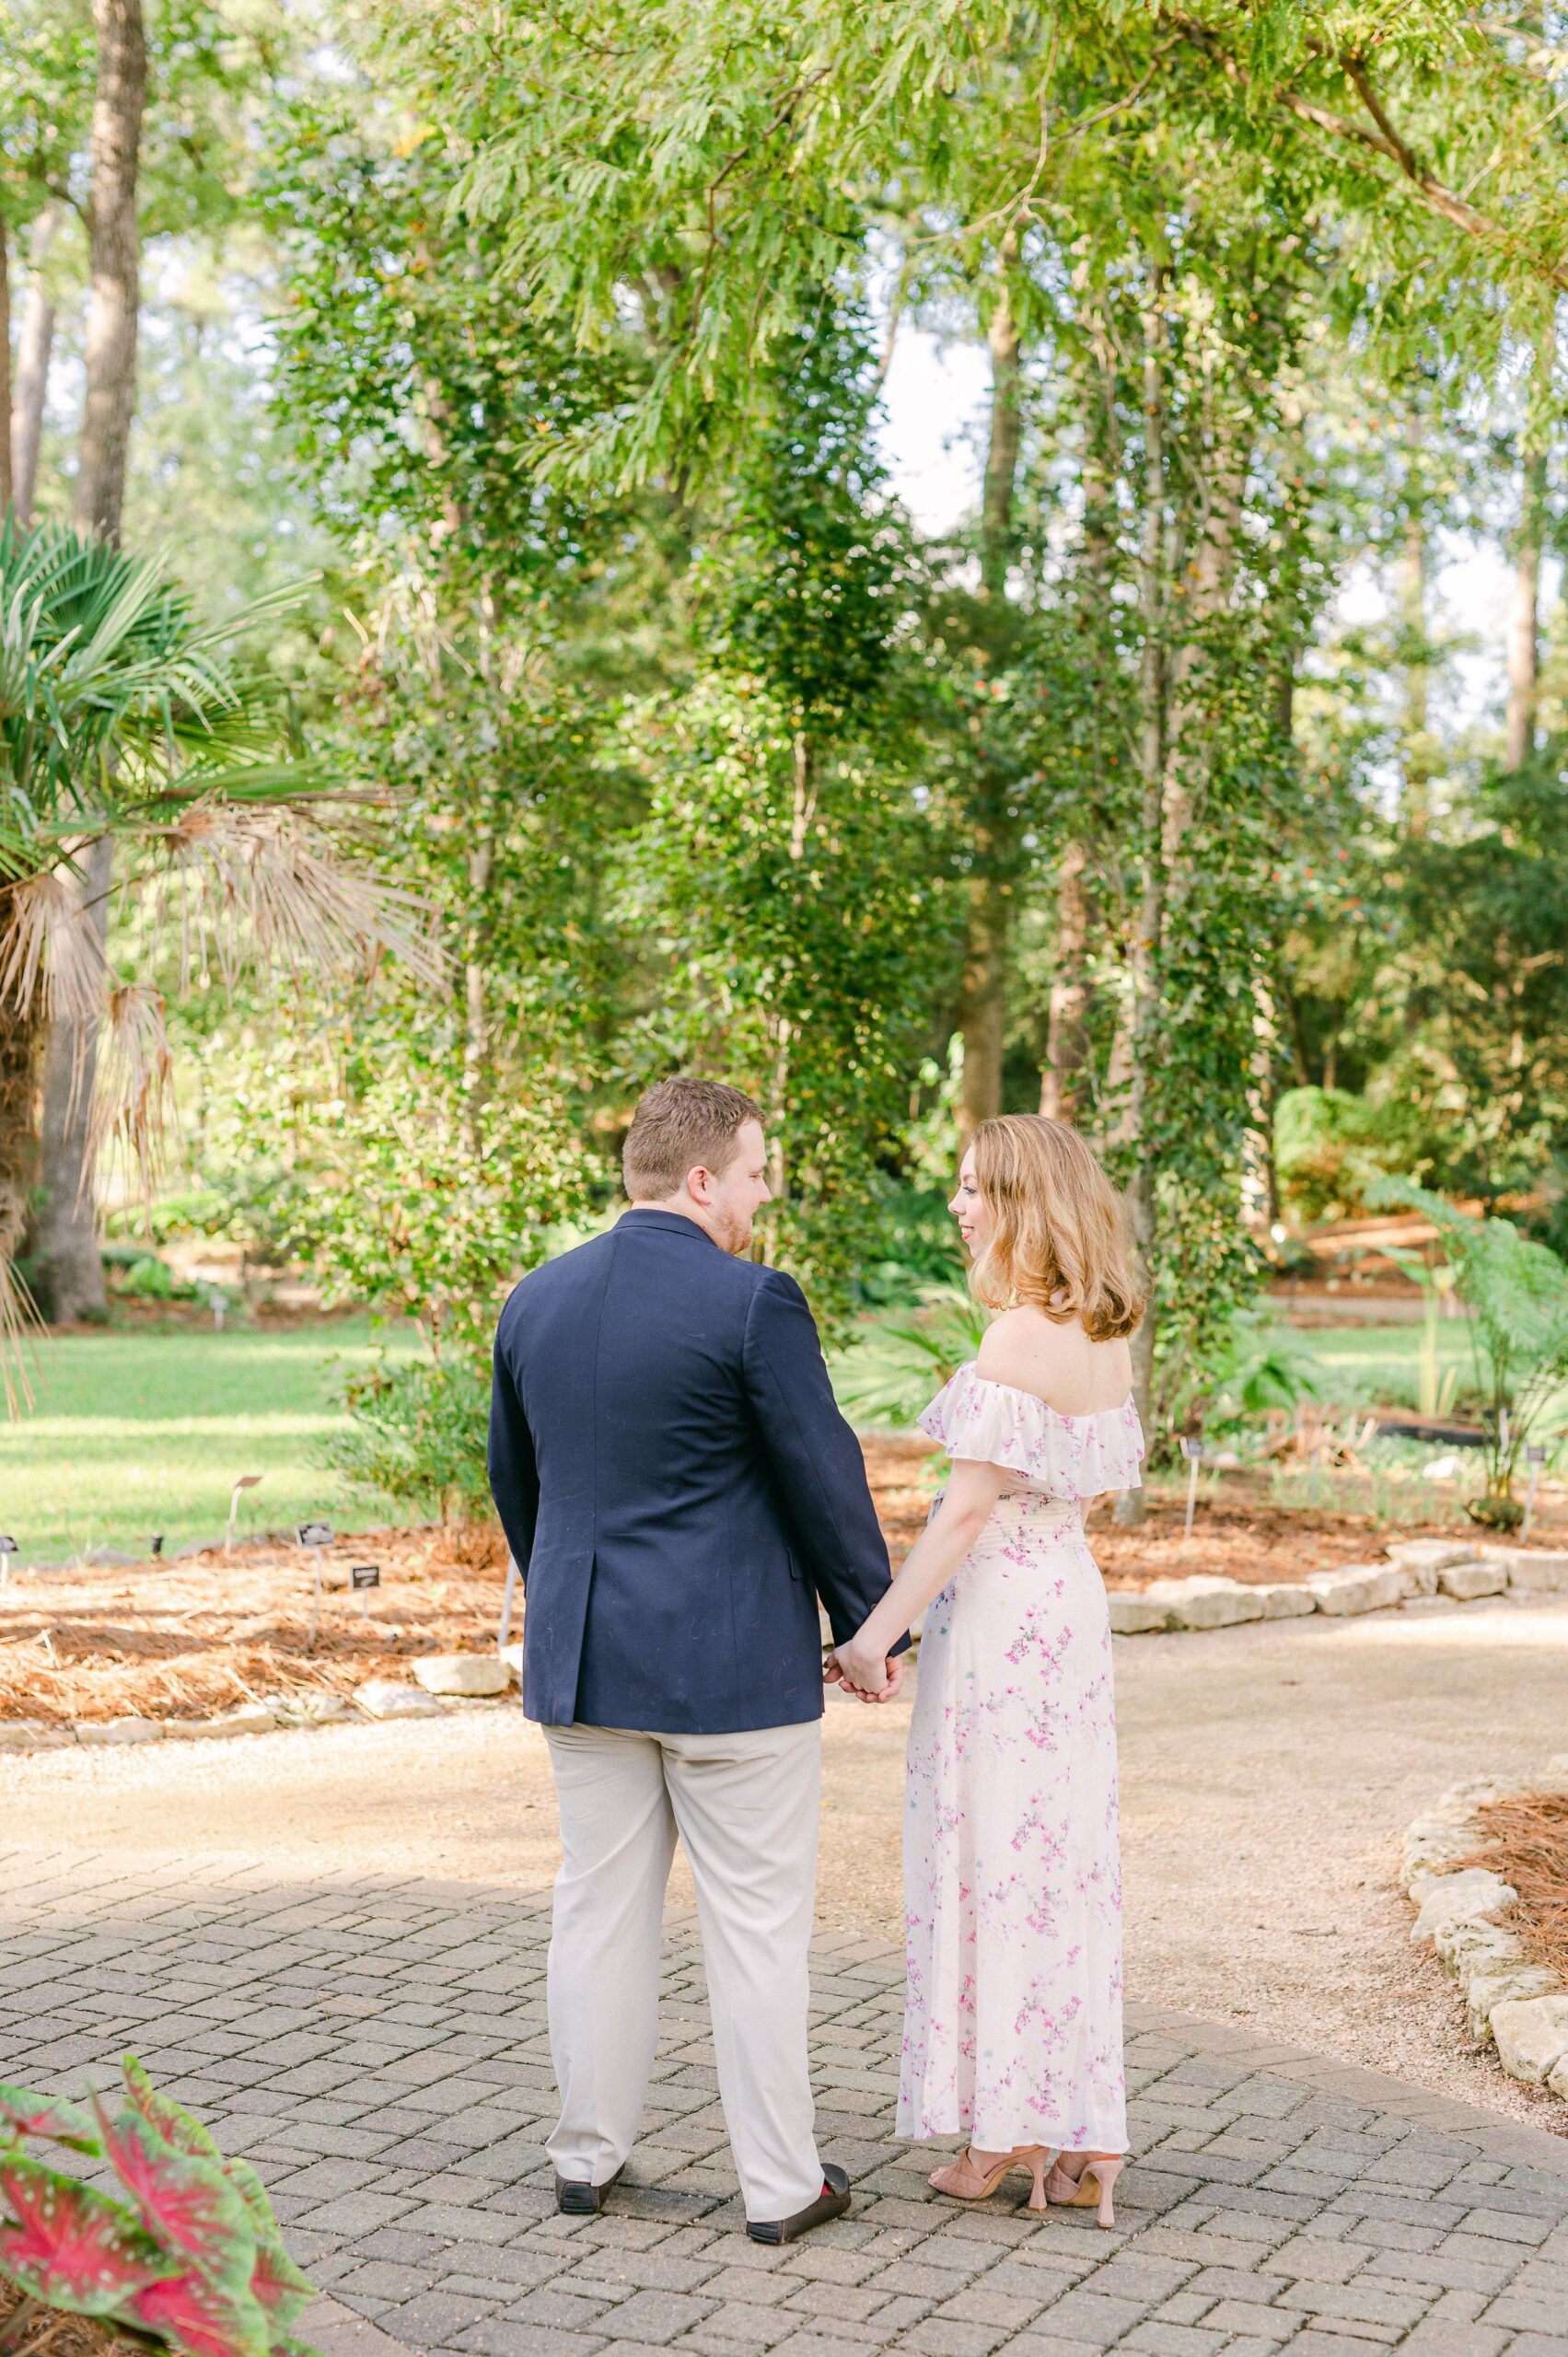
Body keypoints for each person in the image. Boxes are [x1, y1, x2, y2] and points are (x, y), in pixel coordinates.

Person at [488, 1075, 908, 2243]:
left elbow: (519, 1490)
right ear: (702, 1177)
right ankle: (779, 2186)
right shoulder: (752, 1302)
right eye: (759, 1172)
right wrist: (869, 1625)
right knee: (756, 1931)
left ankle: (583, 2158)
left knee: (597, 1914)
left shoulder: (535, 1300)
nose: (764, 1196)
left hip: (582, 1664)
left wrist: (570, 1596)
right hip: (728, 1675)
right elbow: (822, 1480)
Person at [826, 1114, 1144, 2228]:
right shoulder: (1104, 1335)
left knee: (996, 1867)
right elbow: (1080, 1493)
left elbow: (964, 1513)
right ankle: (1079, 2131)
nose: (956, 1206)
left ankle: (1006, 2126)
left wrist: (873, 1636)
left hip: (1005, 1626)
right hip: (1070, 1615)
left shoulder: (1013, 1338)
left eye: (972, 1188)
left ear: (1023, 1199)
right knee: (1061, 1872)